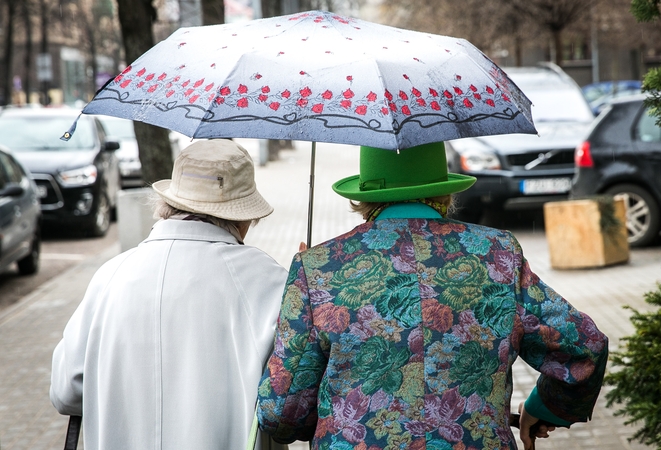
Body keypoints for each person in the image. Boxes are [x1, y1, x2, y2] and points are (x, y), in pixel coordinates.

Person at [256, 142, 609, 450]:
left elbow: (282, 413)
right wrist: (543, 407)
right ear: (443, 192)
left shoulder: (318, 267)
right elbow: (585, 347)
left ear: (363, 197)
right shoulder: (498, 254)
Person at [50, 140, 289, 450]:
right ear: (243, 218)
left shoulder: (109, 277)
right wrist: (309, 291)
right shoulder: (268, 280)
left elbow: (66, 391)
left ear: (169, 205)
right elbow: (288, 405)